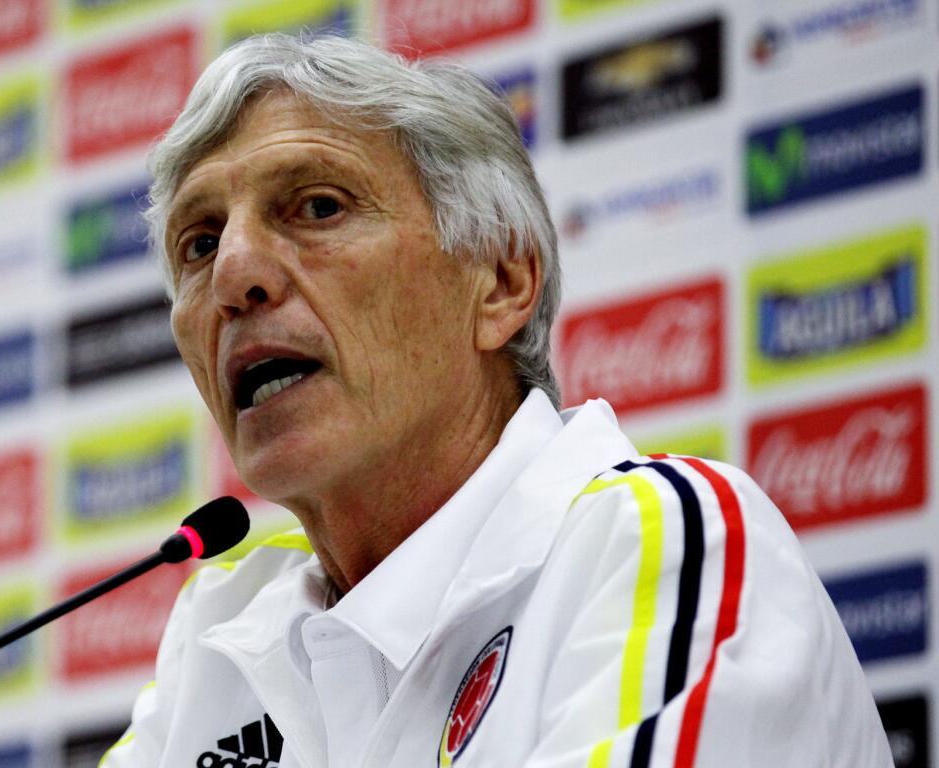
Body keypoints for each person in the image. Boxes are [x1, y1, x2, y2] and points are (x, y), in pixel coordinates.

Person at [102, 34, 892, 768]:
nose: (235, 273)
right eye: (199, 243)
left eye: (317, 207)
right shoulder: (220, 635)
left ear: (502, 284)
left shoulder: (655, 544)